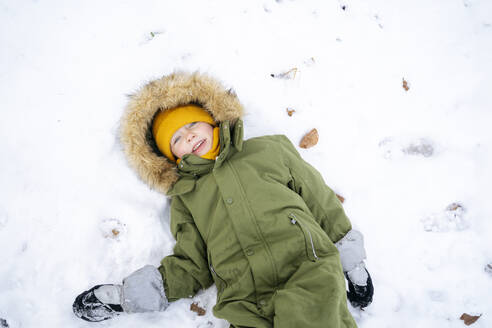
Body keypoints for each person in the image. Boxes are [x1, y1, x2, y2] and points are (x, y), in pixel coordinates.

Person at [73, 72, 373, 327]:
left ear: (213, 120)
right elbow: (191, 263)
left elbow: (319, 199)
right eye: (176, 139)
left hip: (307, 266)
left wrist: (351, 263)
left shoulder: (269, 150)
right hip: (244, 297)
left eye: (192, 125)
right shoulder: (185, 199)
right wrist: (131, 295)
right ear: (170, 157)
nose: (188, 137)